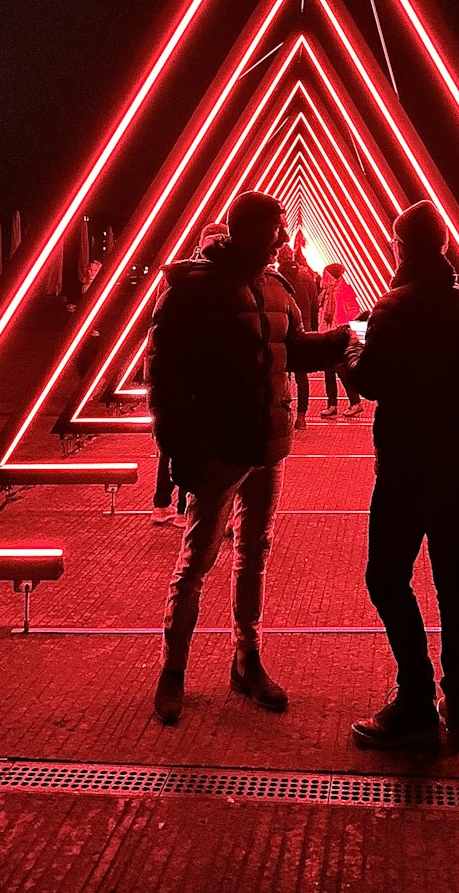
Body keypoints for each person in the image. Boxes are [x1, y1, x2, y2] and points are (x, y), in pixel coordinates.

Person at [146, 191, 354, 725]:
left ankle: (247, 658)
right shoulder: (190, 293)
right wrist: (181, 454)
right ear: (246, 231)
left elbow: (295, 350)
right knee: (198, 559)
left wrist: (345, 339)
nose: (284, 239)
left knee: (255, 554)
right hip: (217, 447)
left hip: (268, 445)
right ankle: (173, 671)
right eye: (275, 229)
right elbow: (164, 385)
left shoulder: (278, 288)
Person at [345, 200, 459, 751]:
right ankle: (457, 705)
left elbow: (368, 383)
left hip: (405, 469)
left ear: (400, 246)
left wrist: (350, 351)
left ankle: (414, 694)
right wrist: (457, 412)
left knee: (386, 578)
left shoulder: (393, 309)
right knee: (455, 587)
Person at [151, 222, 229, 526]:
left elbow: (158, 324)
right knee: (199, 441)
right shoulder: (220, 279)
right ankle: (185, 506)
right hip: (203, 376)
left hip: (173, 372)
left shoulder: (175, 277)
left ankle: (162, 504)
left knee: (171, 441)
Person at [276, 243, 319, 429]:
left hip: (282, 332)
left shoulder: (275, 279)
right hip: (304, 331)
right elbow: (315, 307)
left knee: (281, 375)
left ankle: (283, 414)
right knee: (302, 376)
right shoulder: (307, 278)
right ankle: (302, 416)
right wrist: (313, 331)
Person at [319, 262, 363, 418]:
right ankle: (332, 404)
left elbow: (355, 310)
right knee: (328, 371)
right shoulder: (326, 292)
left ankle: (355, 403)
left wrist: (341, 325)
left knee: (341, 371)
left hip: (338, 336)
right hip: (326, 335)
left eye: (326, 274)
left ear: (333, 276)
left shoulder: (345, 290)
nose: (323, 277)